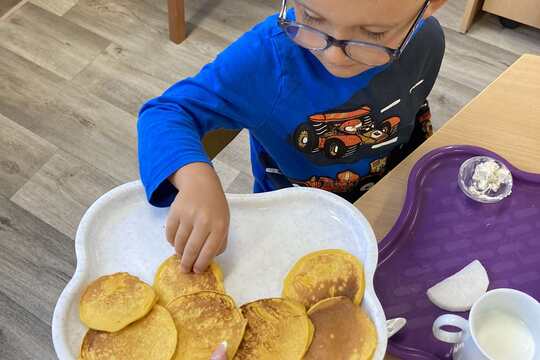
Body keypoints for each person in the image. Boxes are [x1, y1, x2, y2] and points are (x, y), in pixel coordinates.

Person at [138, 0, 447, 273]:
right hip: (293, 221)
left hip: (393, 202)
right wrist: (195, 180)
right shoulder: (266, 61)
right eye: (311, 16)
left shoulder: (428, 41)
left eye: (375, 34)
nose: (337, 56)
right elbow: (164, 113)